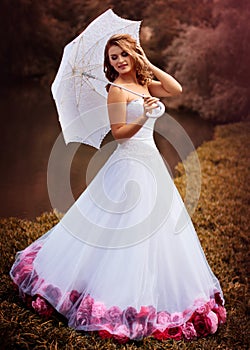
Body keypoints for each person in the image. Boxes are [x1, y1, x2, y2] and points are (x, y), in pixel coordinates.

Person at [10, 34, 226, 343]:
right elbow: (120, 134)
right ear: (109, 64)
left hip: (151, 163)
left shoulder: (144, 83)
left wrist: (147, 62)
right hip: (127, 163)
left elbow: (176, 89)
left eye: (124, 54)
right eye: (113, 58)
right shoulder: (116, 91)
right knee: (121, 226)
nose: (119, 61)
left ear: (133, 53)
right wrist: (147, 116)